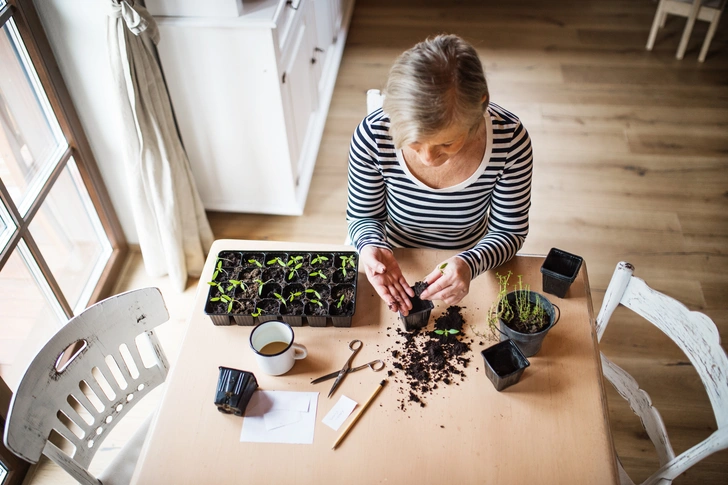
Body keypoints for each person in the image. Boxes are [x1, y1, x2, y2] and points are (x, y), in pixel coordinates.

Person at [346, 34, 533, 316]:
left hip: (471, 263)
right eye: (413, 142)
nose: (428, 159)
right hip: (395, 257)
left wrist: (470, 263)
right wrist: (372, 245)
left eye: (447, 143)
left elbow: (509, 230)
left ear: (480, 105)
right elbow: (363, 217)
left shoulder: (509, 140)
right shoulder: (373, 135)